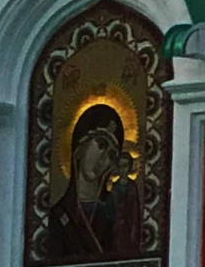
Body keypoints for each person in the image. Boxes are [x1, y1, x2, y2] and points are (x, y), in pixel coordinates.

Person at [46, 102, 142, 256]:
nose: (103, 159)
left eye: (111, 155)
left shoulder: (112, 212)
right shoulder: (59, 215)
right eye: (101, 145)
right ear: (81, 144)